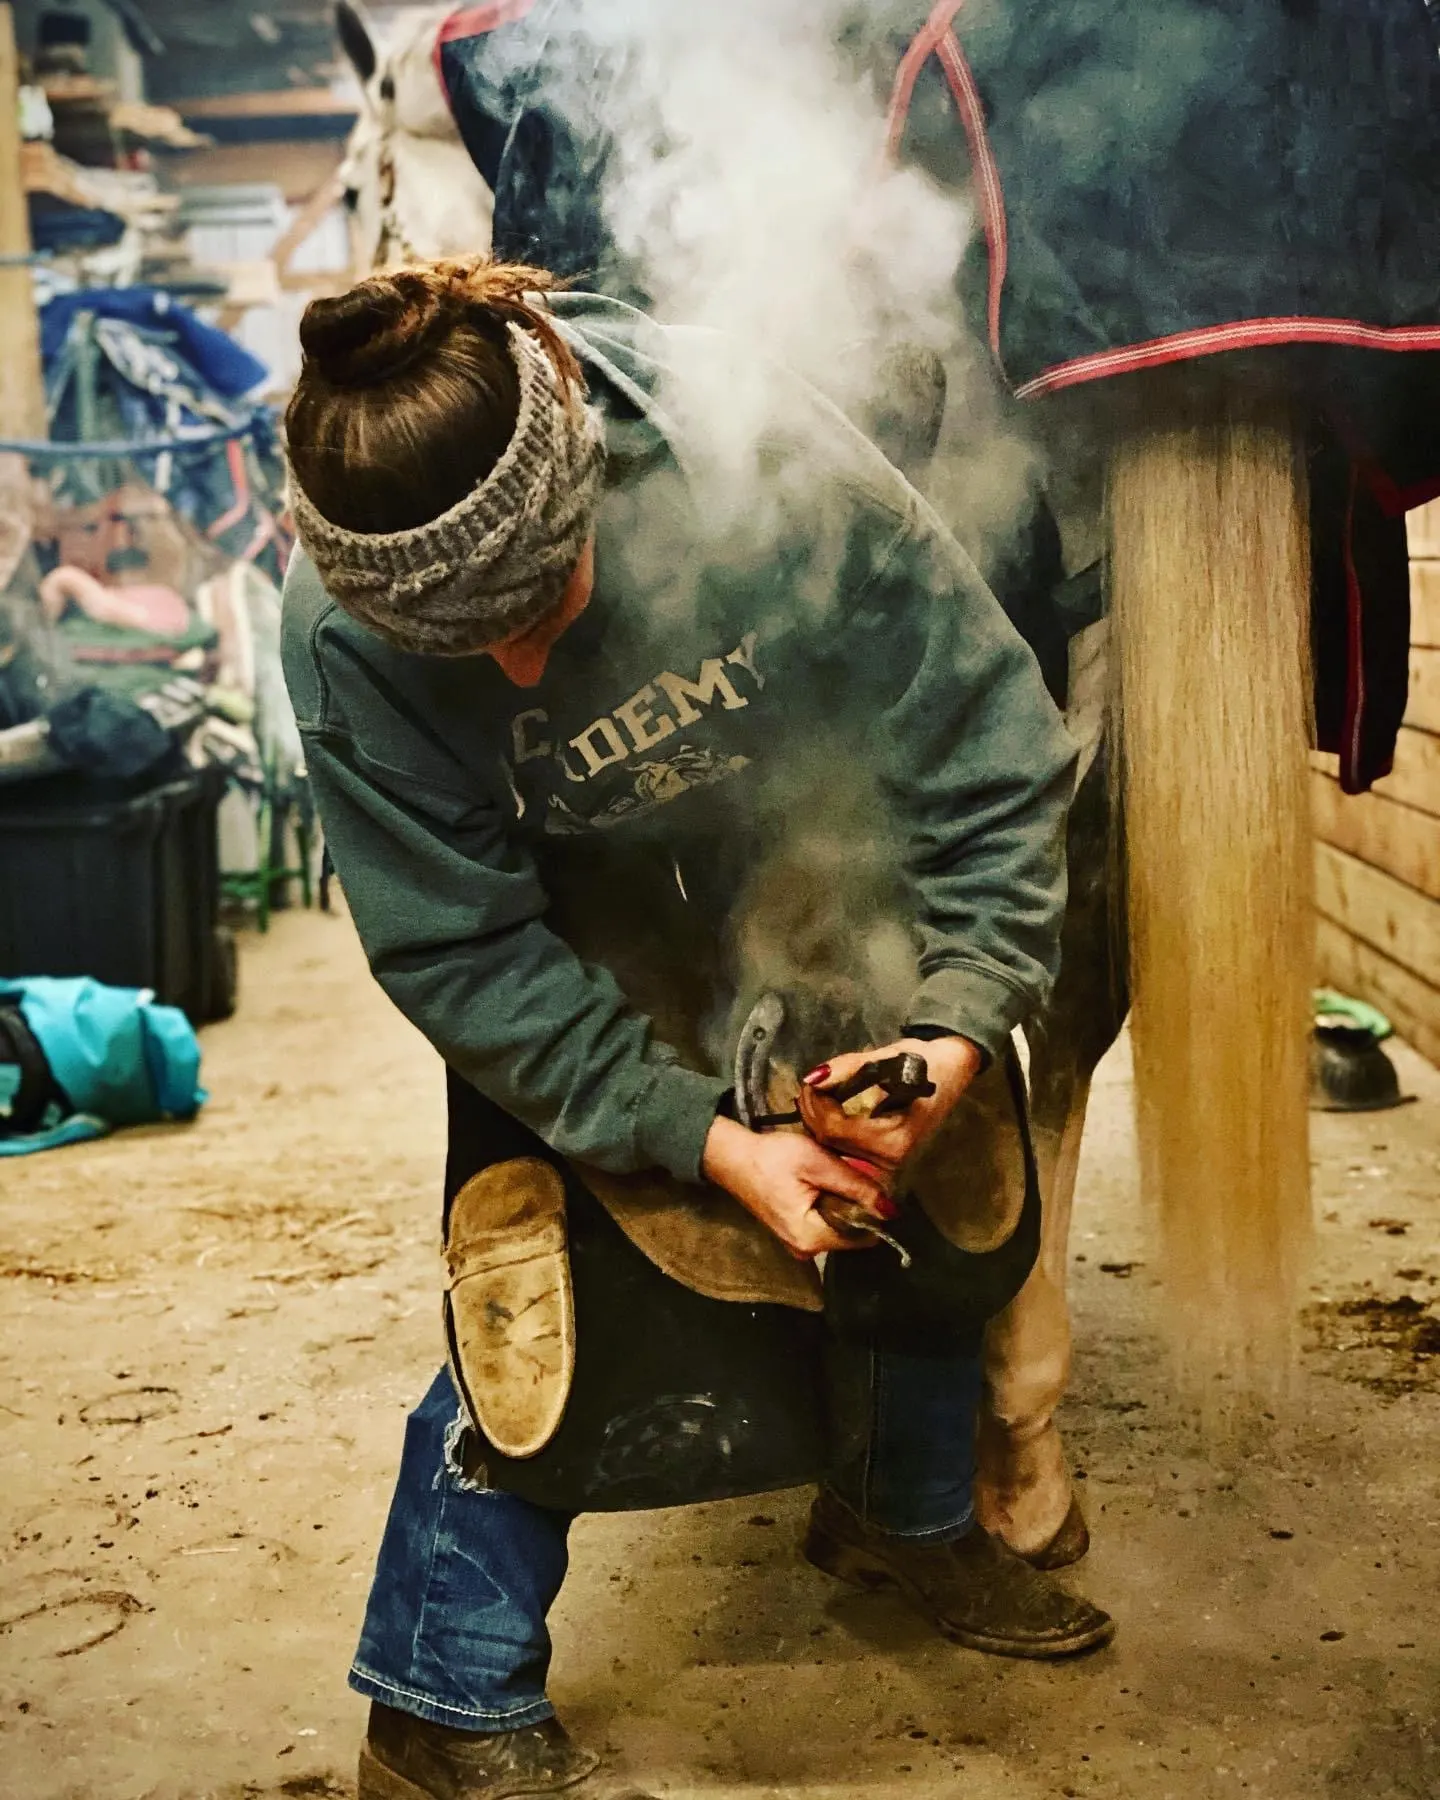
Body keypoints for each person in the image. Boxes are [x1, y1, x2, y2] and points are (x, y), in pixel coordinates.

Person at [282, 256, 1113, 1800]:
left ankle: (900, 1516)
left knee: (941, 1172)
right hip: (559, 923)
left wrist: (954, 1026)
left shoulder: (767, 459)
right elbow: (464, 953)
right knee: (543, 1284)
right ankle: (439, 1690)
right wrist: (701, 1140)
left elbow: (986, 757)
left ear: (588, 474)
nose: (520, 669)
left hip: (804, 841)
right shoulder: (341, 646)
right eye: (471, 652)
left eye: (542, 608)